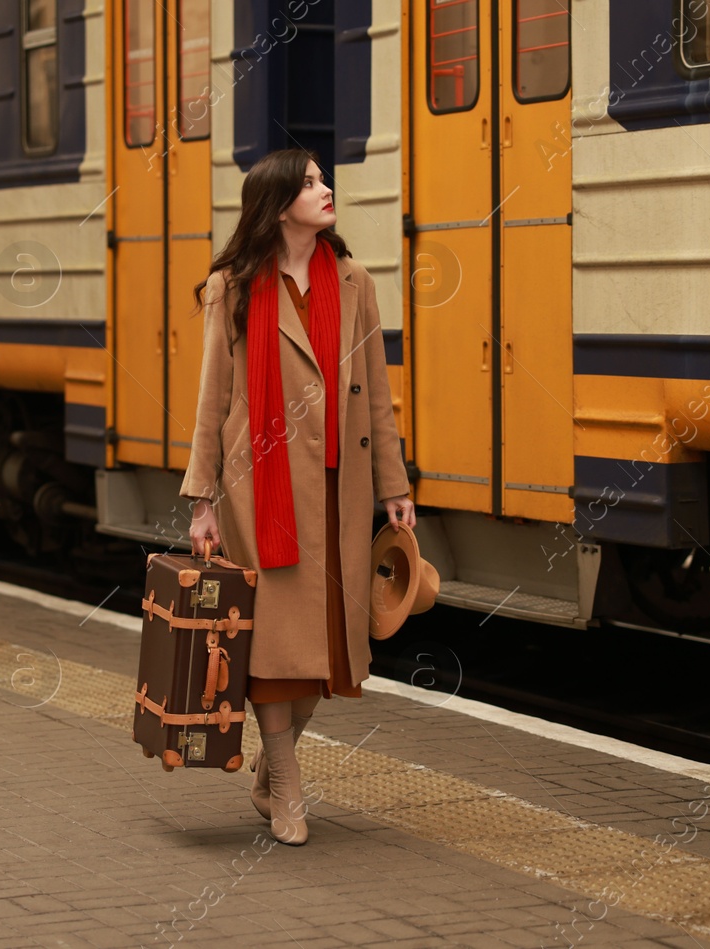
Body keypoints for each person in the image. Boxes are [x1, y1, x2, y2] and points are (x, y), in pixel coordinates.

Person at [180, 149, 415, 845]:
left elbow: (375, 392)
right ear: (278, 205)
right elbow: (212, 399)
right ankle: (285, 785)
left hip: (339, 493)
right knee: (278, 649)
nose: (325, 188)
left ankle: (269, 767)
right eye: (309, 183)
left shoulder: (354, 282)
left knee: (326, 652)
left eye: (322, 179)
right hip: (263, 495)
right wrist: (203, 499)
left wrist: (395, 487)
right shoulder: (233, 287)